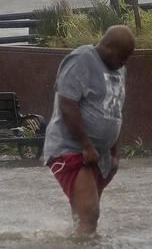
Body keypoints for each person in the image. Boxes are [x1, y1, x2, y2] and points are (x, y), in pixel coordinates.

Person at [42, 24, 135, 235]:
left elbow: (115, 110)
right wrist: (86, 145)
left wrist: (114, 152)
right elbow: (67, 104)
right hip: (73, 150)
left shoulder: (120, 69)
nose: (124, 62)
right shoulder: (82, 59)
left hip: (99, 155)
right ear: (108, 47)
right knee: (89, 214)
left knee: (86, 214)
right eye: (122, 56)